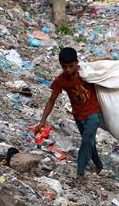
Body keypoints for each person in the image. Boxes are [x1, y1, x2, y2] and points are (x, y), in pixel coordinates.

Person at [36, 47, 103, 181]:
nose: (68, 70)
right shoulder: (61, 80)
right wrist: (42, 120)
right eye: (64, 67)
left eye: (71, 66)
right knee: (89, 141)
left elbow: (104, 75)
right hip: (78, 116)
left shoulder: (86, 73)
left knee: (87, 139)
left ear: (77, 63)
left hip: (94, 113)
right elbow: (51, 100)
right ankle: (99, 165)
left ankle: (80, 173)